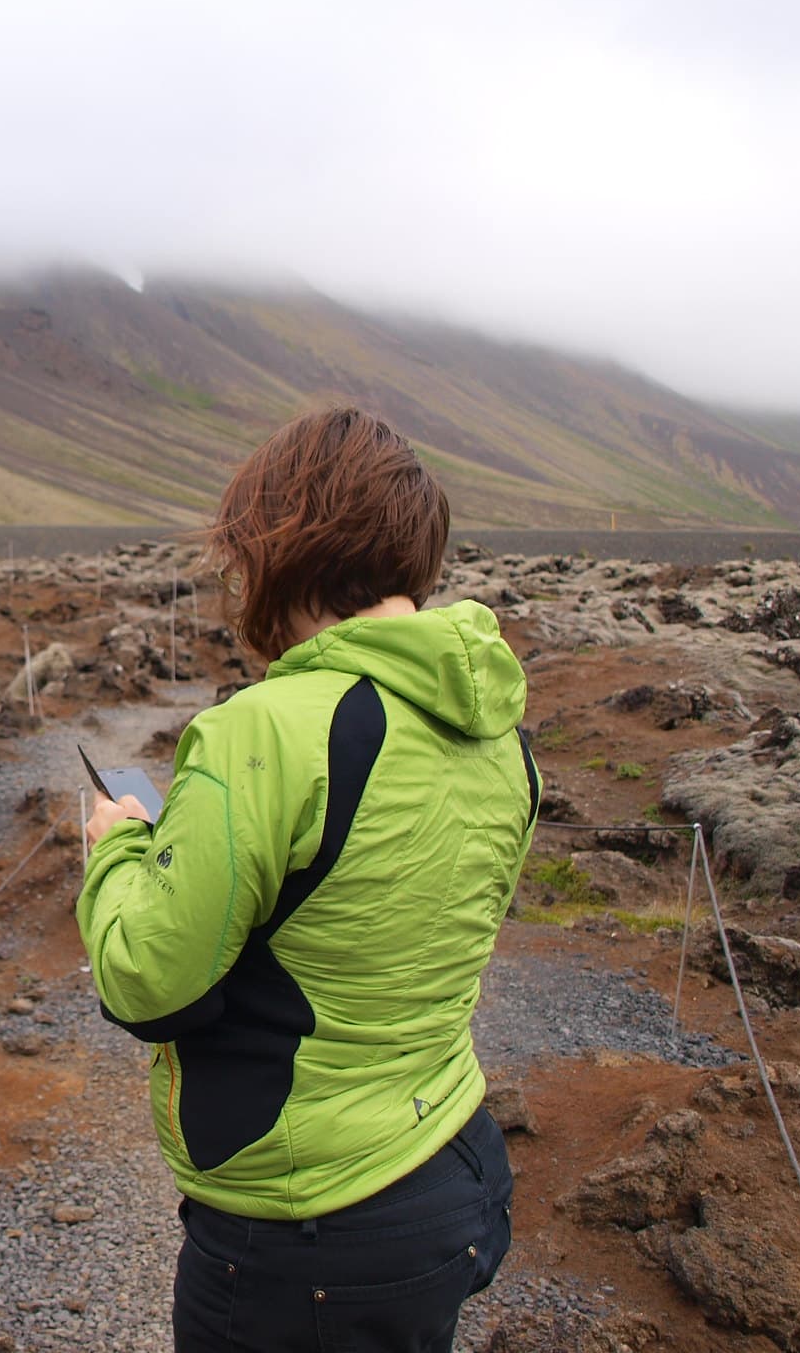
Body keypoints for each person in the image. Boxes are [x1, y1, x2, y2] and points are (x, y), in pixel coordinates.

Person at [77, 406, 538, 1353]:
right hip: (448, 1161)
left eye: (242, 556)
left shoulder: (266, 730)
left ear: (283, 548)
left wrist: (119, 850)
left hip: (304, 1228)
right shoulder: (501, 732)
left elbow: (149, 982)